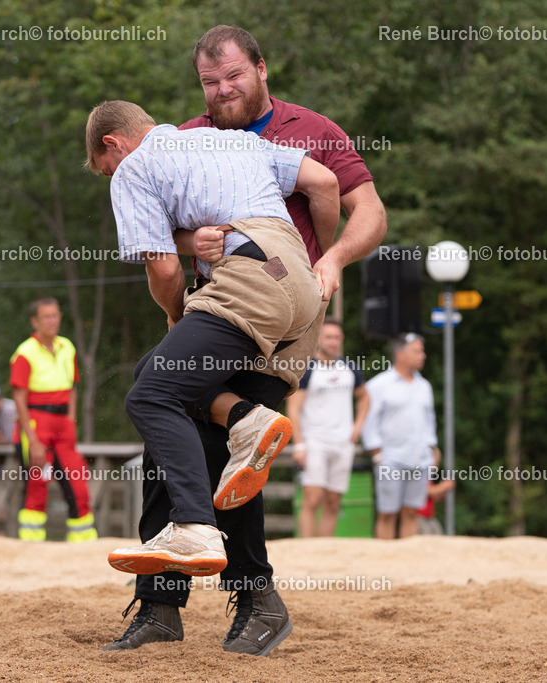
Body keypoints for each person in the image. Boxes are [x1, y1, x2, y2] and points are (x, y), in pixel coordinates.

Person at [102, 25, 386, 656]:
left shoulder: (311, 129)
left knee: (176, 412)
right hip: (226, 303)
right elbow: (165, 238)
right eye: (210, 82)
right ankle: (171, 603)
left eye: (233, 76)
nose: (222, 90)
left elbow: (363, 206)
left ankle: (243, 594)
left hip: (271, 304)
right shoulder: (190, 138)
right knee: (190, 438)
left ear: (262, 68)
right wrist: (193, 242)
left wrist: (332, 258)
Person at [87, 99, 338, 575]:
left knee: (151, 394)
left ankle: (195, 527)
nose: (111, 177)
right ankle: (245, 420)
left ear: (112, 143)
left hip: (248, 279)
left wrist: (175, 316)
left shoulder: (133, 168)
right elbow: (324, 183)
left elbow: (162, 268)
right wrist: (323, 258)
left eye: (105, 170)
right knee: (153, 370)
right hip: (303, 284)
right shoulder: (234, 139)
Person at [10, 297, 97, 543]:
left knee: (78, 482)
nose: (52, 321)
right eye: (46, 317)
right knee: (37, 485)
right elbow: (18, 398)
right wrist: (32, 439)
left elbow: (72, 388)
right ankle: (31, 546)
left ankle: (83, 544)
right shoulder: (25, 353)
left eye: (55, 315)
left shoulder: (67, 347)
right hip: (36, 423)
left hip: (62, 425)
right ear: (35, 321)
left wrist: (71, 421)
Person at [287, 317, 370, 538]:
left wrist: (358, 426)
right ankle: (307, 549)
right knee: (312, 497)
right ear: (318, 338)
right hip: (315, 441)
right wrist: (299, 445)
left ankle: (325, 549)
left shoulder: (349, 368)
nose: (333, 342)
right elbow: (293, 407)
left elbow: (364, 398)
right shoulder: (308, 369)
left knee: (334, 501)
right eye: (329, 337)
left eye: (337, 337)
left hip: (343, 442)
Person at [363, 333, 438, 540]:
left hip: (419, 458)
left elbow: (430, 420)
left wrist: (432, 451)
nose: (422, 356)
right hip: (391, 458)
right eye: (417, 351)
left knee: (412, 512)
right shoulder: (379, 385)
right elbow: (369, 421)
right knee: (387, 512)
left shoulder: (424, 386)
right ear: (400, 354)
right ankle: (385, 562)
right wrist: (377, 455)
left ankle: (407, 562)